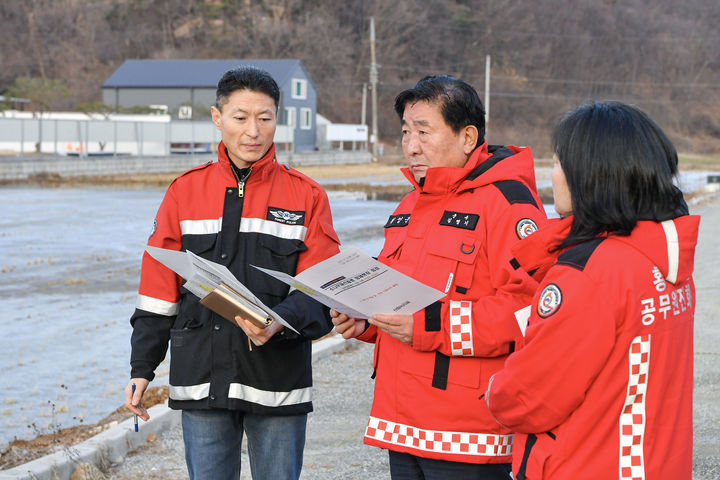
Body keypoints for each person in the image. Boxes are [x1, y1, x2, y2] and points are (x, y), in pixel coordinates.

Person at [124, 66, 340, 480]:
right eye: (240, 117)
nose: (253, 131)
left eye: (265, 118)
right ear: (217, 117)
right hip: (201, 379)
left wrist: (281, 322)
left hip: (276, 380)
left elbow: (322, 289)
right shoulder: (184, 191)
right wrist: (141, 367)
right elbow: (158, 290)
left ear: (278, 119)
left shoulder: (307, 196)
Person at [332, 75, 547, 479]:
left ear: (468, 137)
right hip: (401, 422)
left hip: (468, 432)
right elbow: (396, 296)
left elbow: (529, 311)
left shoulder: (508, 204)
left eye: (424, 132)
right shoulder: (411, 203)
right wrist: (365, 321)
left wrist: (432, 325)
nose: (411, 146)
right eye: (405, 133)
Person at [485, 101, 698, 479]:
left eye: (556, 163)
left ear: (590, 174)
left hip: (590, 464)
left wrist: (495, 389)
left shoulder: (591, 272)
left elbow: (529, 398)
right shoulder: (661, 257)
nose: (552, 176)